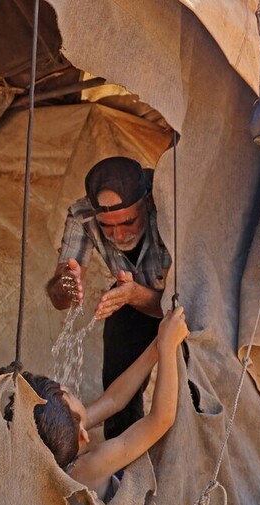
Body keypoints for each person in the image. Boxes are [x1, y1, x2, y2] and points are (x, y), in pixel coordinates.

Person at [46, 156, 171, 440]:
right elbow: (58, 294)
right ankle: (122, 454)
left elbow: (181, 303)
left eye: (128, 222)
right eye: (107, 227)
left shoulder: (169, 204)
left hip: (184, 302)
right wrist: (66, 285)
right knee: (119, 371)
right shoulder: (82, 215)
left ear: (148, 203)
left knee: (188, 382)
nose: (118, 234)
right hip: (131, 295)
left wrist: (136, 294)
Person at [23, 307, 188, 503]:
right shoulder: (87, 468)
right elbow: (162, 419)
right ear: (83, 436)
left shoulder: (63, 443)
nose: (67, 387)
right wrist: (169, 347)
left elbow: (114, 399)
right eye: (68, 394)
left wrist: (158, 345)